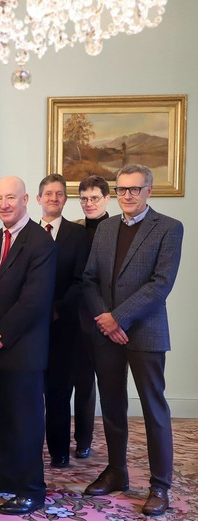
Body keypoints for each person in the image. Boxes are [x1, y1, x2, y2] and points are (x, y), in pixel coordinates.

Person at [83, 165, 183, 517]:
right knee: (111, 407)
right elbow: (89, 279)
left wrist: (118, 317)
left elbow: (160, 284)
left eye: (135, 189)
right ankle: (116, 472)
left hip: (146, 330)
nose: (128, 195)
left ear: (149, 191)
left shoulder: (169, 228)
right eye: (122, 189)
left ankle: (160, 486)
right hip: (106, 332)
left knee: (154, 409)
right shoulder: (106, 228)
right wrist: (105, 320)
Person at [0, 176, 56, 516]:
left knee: (25, 422)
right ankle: (3, 478)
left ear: (26, 200)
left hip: (21, 351)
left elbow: (33, 303)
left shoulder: (40, 242)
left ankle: (31, 489)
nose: (4, 204)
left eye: (10, 198)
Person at [36, 174, 90, 469]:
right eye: (49, 194)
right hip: (29, 329)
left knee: (58, 393)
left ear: (64, 200)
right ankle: (29, 452)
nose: (54, 198)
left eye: (59, 194)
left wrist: (57, 309)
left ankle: (59, 452)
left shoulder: (78, 235)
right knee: (29, 394)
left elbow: (81, 280)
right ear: (38, 198)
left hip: (63, 326)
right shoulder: (25, 232)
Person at [71, 175, 112, 459]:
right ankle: (82, 440)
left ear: (107, 199)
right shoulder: (74, 230)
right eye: (84, 198)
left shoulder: (118, 229)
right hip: (77, 318)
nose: (88, 203)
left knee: (110, 386)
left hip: (109, 318)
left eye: (94, 198)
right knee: (82, 383)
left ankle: (114, 446)